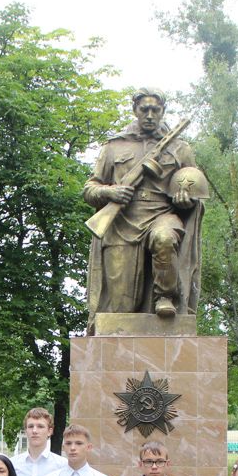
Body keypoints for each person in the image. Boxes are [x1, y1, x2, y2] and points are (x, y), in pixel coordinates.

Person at [83, 87, 206, 319]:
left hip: (162, 215)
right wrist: (110, 192)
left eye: (155, 110)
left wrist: (186, 201)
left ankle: (165, 296)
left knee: (164, 237)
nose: (150, 115)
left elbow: (194, 189)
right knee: (120, 309)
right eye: (144, 109)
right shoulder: (114, 146)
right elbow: (90, 189)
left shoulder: (180, 148)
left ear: (163, 111)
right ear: (135, 110)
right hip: (122, 223)